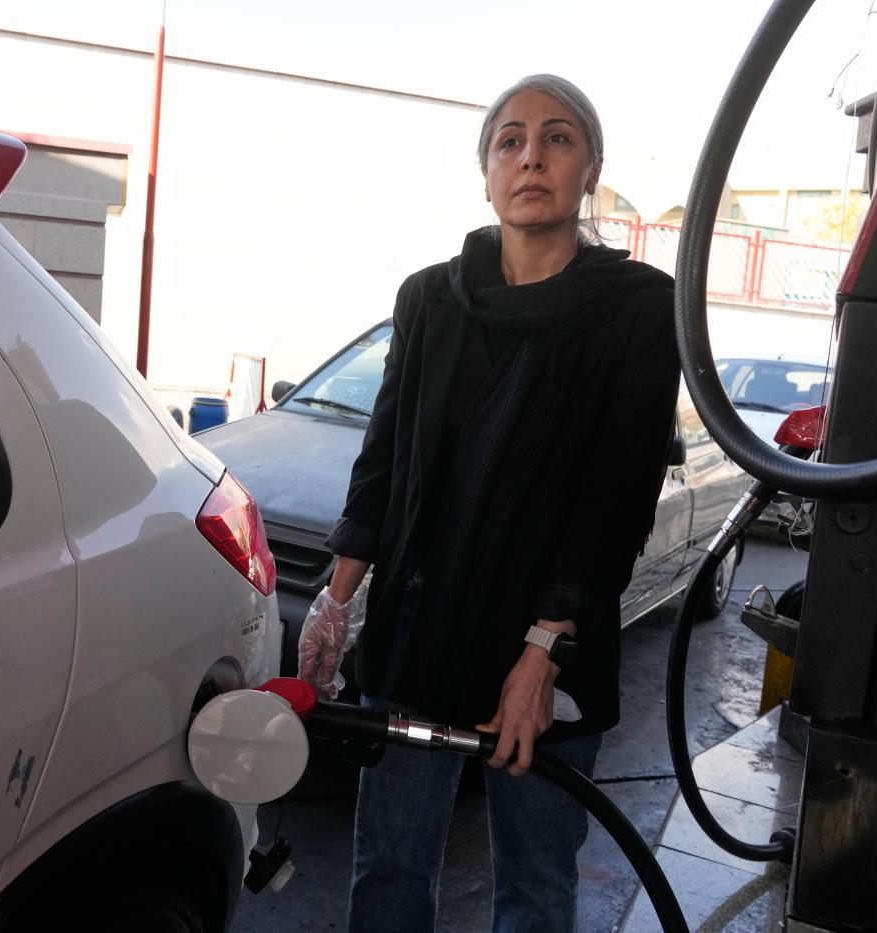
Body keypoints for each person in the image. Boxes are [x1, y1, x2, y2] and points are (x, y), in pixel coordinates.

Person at [297, 74, 681, 932]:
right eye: (510, 141)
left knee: (536, 882)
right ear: (486, 174)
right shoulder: (429, 299)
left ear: (591, 170)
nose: (531, 157)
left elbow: (616, 498)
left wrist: (543, 652)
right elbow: (383, 463)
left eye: (558, 138)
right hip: (419, 634)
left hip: (551, 644)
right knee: (389, 867)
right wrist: (337, 601)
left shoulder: (638, 311)